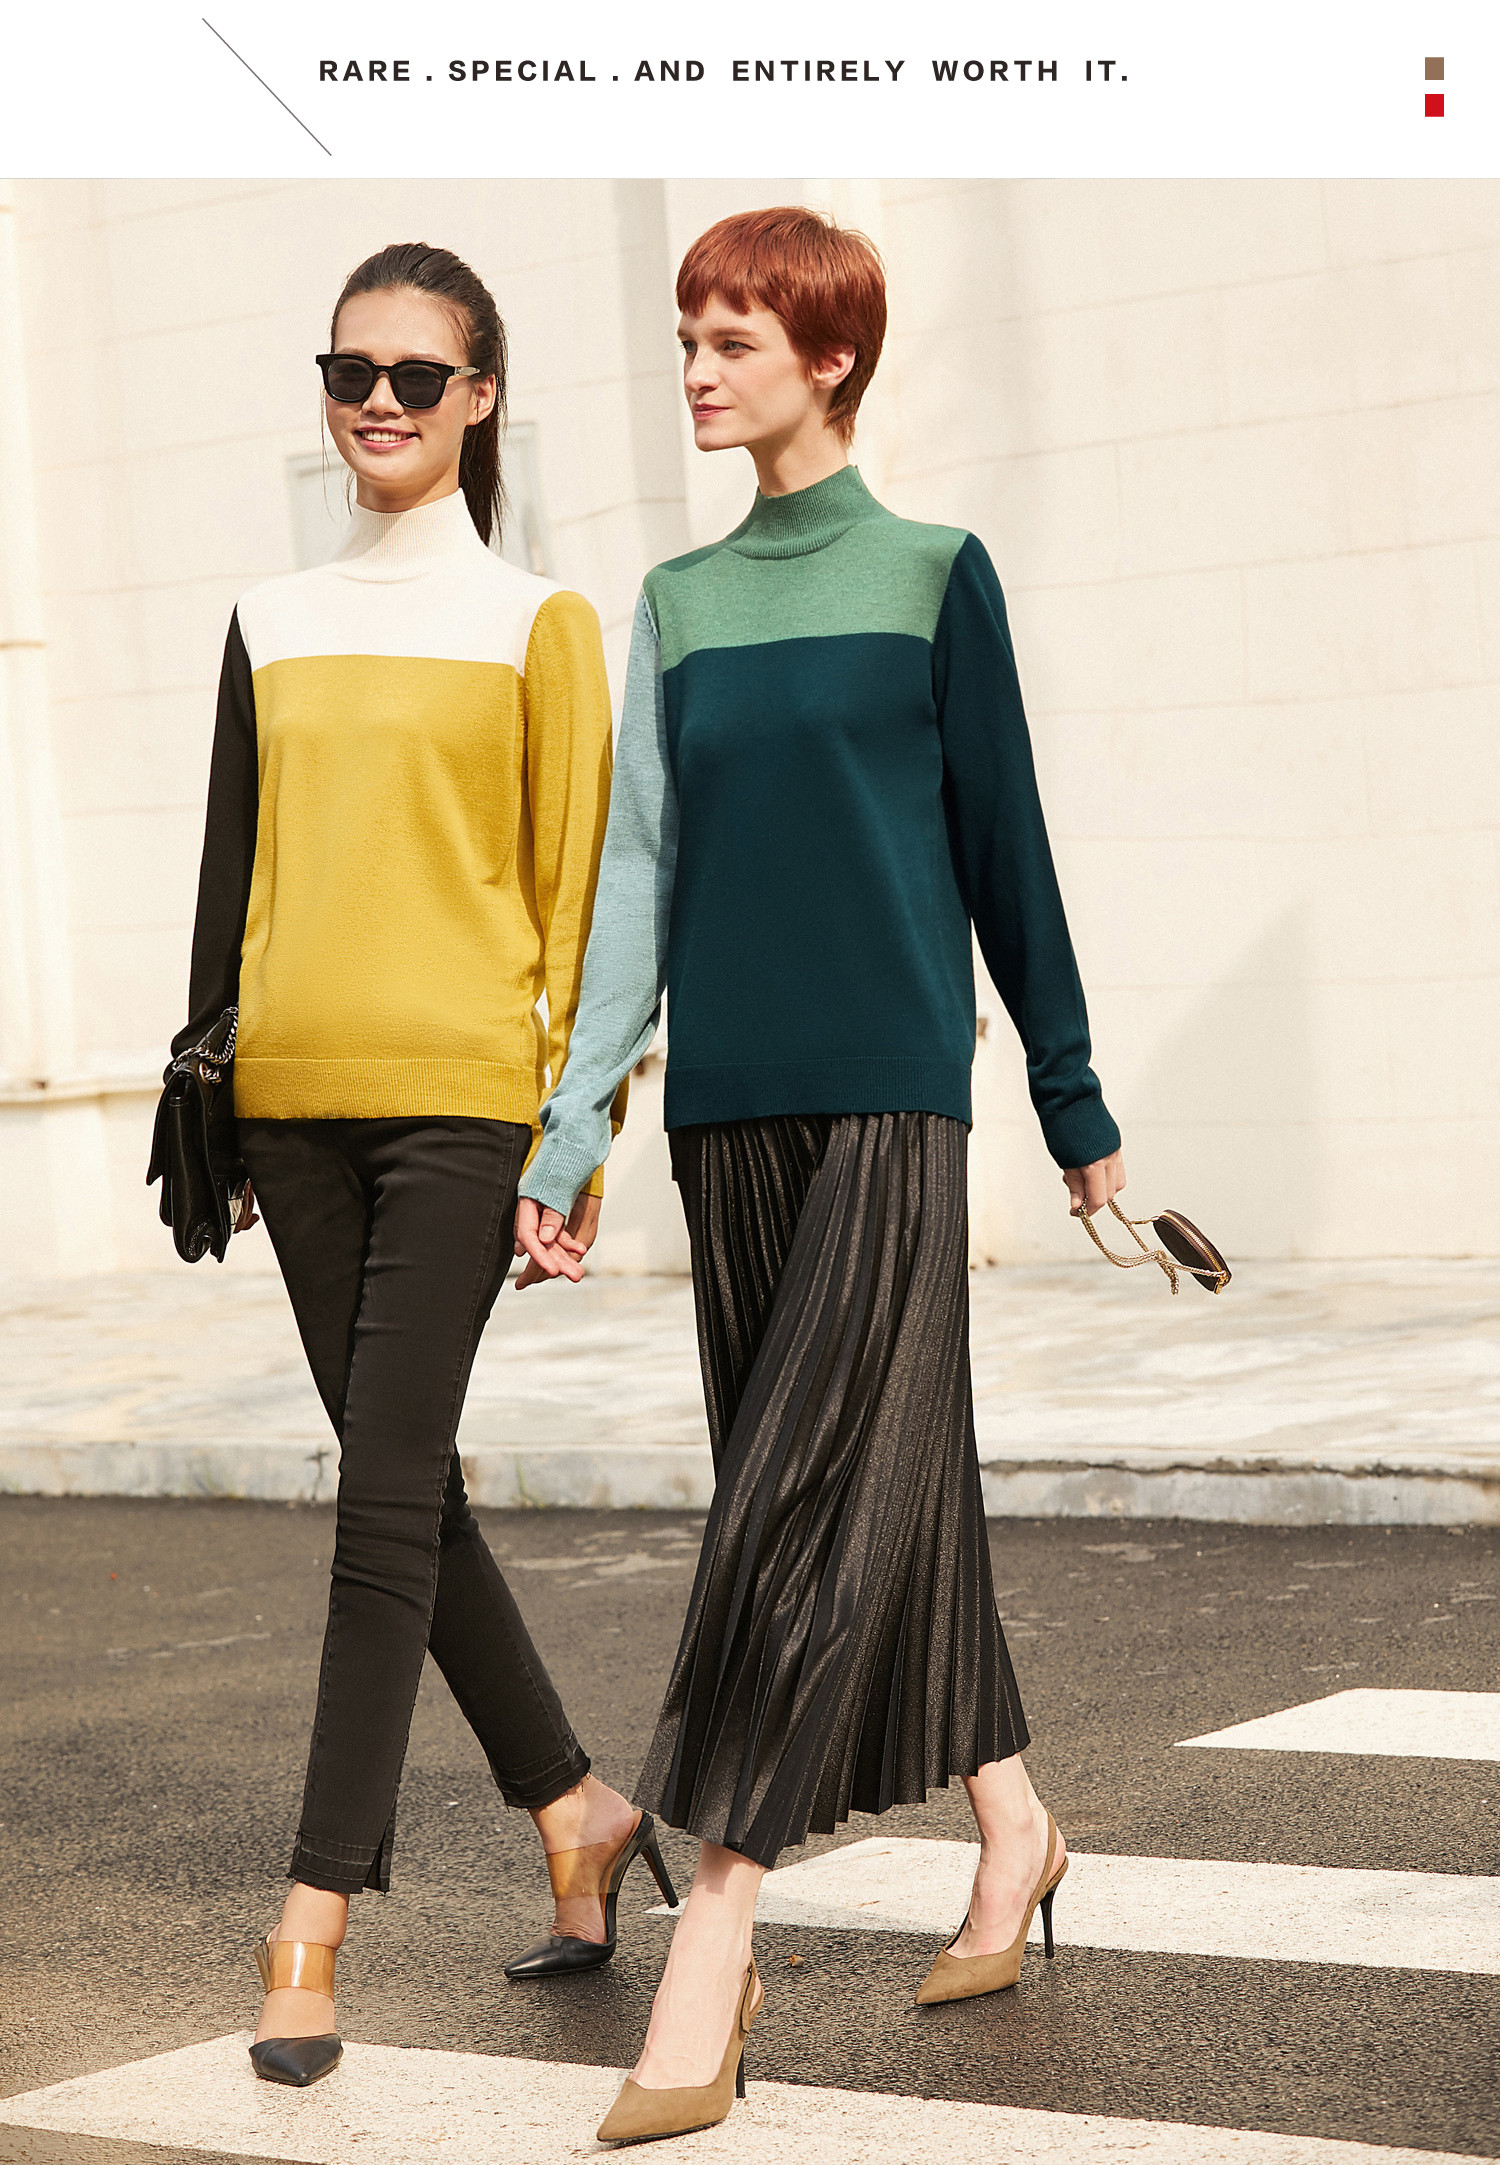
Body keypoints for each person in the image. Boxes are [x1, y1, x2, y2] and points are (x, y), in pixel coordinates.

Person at [514, 206, 1125, 2146]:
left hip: (888, 1098)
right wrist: (577, 1123)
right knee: (874, 1491)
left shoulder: (933, 572)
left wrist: (1072, 1099)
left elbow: (1005, 845)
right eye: (690, 335)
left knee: (795, 1505)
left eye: (733, 339)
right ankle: (1015, 1826)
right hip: (729, 1115)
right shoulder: (678, 600)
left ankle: (715, 1926)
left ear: (831, 357)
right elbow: (637, 870)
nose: (697, 369)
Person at [171, 242, 673, 2090]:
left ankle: (312, 1916)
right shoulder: (270, 615)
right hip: (289, 1107)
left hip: (464, 1106)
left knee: (377, 1502)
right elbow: (230, 874)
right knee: (409, 1491)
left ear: (480, 397)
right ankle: (577, 1809)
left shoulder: (541, 621)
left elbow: (583, 897)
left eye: (413, 374)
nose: (375, 402)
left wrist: (580, 1128)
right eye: (348, 371)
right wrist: (207, 1111)